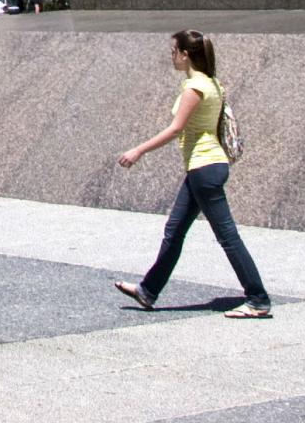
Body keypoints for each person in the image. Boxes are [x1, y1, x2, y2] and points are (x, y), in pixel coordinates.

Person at [114, 29, 271, 318]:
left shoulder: (195, 88)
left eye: (174, 51)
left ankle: (258, 298)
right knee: (174, 231)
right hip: (204, 167)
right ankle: (148, 291)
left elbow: (176, 129)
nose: (171, 56)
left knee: (227, 236)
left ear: (186, 55)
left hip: (205, 168)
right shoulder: (212, 83)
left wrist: (139, 150)